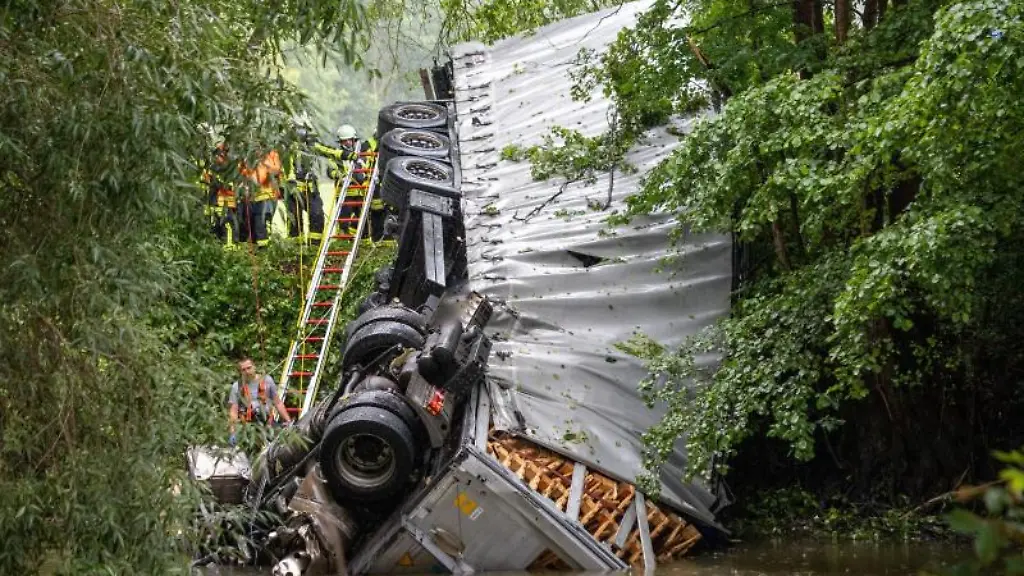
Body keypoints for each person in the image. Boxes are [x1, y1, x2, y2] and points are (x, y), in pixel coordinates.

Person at [313, 124, 379, 237]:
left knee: (362, 217)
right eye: (344, 141)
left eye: (349, 140)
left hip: (360, 191)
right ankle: (343, 240)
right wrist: (338, 175)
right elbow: (331, 170)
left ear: (354, 140)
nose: (347, 143)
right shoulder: (337, 154)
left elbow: (367, 163)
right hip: (344, 192)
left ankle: (361, 241)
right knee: (344, 219)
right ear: (340, 142)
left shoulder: (360, 152)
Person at [228, 357, 293, 446]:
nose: (247, 372)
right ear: (240, 372)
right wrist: (233, 432)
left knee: (284, 443)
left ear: (254, 367)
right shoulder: (237, 386)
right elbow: (233, 411)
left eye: (249, 368)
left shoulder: (267, 380)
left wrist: (288, 421)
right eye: (243, 370)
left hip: (268, 423)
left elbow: (277, 402)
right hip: (249, 426)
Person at [284, 126, 324, 243]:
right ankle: (296, 247)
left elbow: (327, 151)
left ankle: (315, 246)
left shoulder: (312, 148)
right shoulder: (288, 150)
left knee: (317, 214)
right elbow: (288, 167)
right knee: (294, 220)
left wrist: (343, 154)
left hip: (311, 189)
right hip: (294, 190)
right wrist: (291, 180)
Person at [238, 148, 282, 248]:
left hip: (266, 197)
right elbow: (241, 171)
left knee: (261, 225)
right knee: (250, 226)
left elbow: (276, 170)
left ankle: (265, 251)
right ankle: (253, 251)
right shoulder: (246, 153)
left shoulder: (272, 154)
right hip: (251, 197)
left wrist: (263, 162)